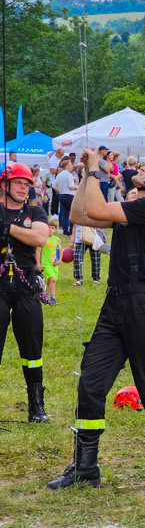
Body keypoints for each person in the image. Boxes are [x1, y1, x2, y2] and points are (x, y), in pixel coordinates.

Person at [49, 152, 145, 489]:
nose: (142, 167)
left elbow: (95, 210)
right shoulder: (134, 207)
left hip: (144, 306)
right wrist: (86, 173)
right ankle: (85, 467)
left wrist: (97, 169)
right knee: (91, 382)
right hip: (115, 305)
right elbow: (78, 214)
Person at [0, 163, 50, 423]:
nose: (24, 187)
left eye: (27, 183)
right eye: (18, 182)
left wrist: (8, 229)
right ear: (4, 184)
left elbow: (40, 238)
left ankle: (36, 406)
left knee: (32, 349)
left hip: (26, 284)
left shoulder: (35, 211)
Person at [37, 217, 62, 305]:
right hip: (46, 263)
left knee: (50, 280)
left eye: (53, 228)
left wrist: (59, 260)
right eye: (49, 228)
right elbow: (38, 251)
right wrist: (38, 263)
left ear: (55, 229)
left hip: (54, 264)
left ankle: (46, 295)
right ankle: (53, 298)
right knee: (53, 279)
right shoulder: (43, 239)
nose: (50, 230)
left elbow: (60, 250)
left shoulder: (57, 239)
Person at [55, 159, 78, 236]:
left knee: (65, 213)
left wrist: (60, 190)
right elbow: (71, 187)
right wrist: (77, 187)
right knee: (73, 213)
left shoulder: (59, 174)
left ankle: (65, 231)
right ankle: (71, 231)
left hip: (62, 195)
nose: (72, 166)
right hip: (69, 195)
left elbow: (54, 185)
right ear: (67, 166)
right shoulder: (68, 175)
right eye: (71, 165)